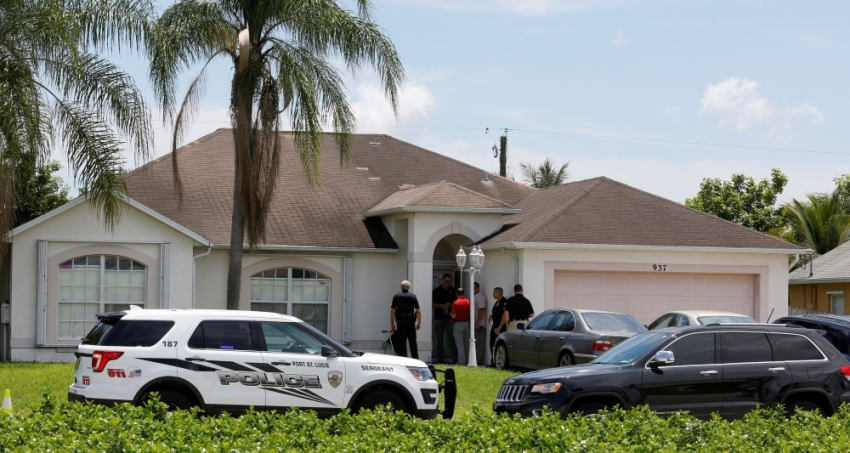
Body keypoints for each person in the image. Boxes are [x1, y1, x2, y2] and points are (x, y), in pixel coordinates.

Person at [390, 280, 421, 359]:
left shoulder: (396, 296)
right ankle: (415, 359)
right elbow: (418, 311)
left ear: (401, 286)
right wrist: (419, 323)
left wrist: (392, 322)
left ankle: (404, 359)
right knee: (412, 342)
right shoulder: (413, 296)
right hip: (410, 321)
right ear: (409, 288)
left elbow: (393, 311)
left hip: (401, 321)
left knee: (402, 342)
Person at [432, 274, 458, 363]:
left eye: (449, 281)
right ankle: (440, 359)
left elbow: (457, 301)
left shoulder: (453, 290)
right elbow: (432, 304)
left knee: (452, 337)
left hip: (450, 317)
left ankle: (455, 358)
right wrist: (440, 306)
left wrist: (451, 304)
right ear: (442, 281)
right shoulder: (436, 291)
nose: (448, 283)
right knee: (439, 338)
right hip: (439, 317)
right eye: (447, 281)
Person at [450, 287, 471, 366]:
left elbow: (454, 316)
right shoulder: (468, 302)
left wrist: (451, 315)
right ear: (464, 293)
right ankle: (468, 360)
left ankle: (461, 362)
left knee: (460, 344)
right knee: (466, 343)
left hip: (458, 323)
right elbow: (469, 314)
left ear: (456, 294)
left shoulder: (456, 303)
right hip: (466, 323)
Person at [490, 287, 508, 363]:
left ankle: (498, 362)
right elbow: (497, 312)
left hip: (501, 328)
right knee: (492, 343)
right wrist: (491, 316)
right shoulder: (497, 302)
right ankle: (493, 361)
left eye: (494, 292)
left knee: (499, 345)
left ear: (498, 293)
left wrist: (500, 327)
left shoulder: (504, 302)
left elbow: (504, 316)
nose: (493, 294)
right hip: (495, 326)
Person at [473, 282, 487, 365]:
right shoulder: (475, 297)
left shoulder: (480, 297)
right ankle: (475, 360)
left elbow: (482, 309)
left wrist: (478, 322)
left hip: (479, 325)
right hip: (475, 325)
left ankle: (478, 361)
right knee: (475, 344)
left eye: (474, 288)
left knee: (479, 344)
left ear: (478, 288)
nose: (473, 290)